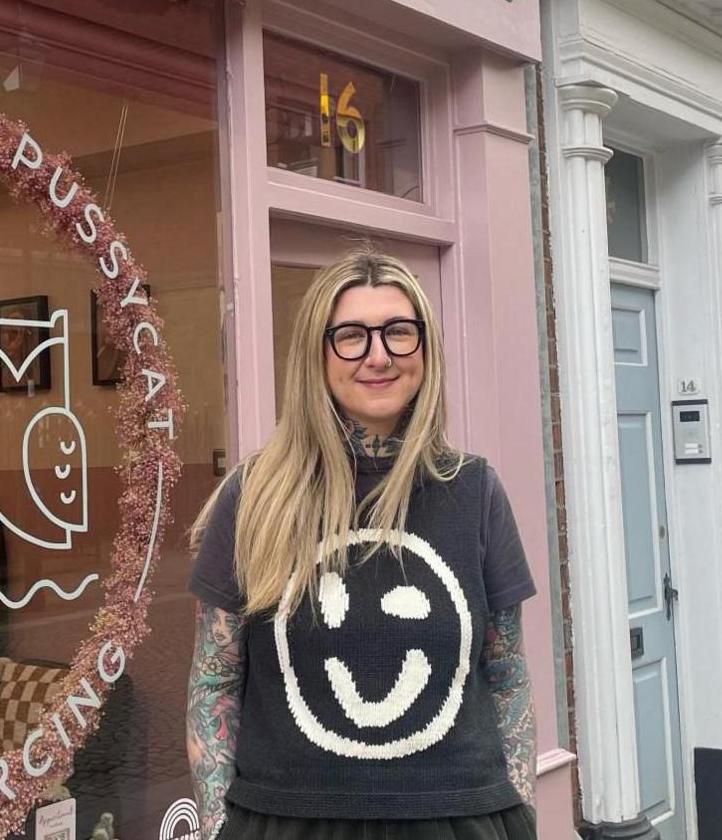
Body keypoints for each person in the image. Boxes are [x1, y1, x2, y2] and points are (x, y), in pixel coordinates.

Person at [185, 250, 538, 840]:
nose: (379, 355)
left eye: (399, 332)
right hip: (289, 821)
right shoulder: (255, 495)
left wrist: (521, 808)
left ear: (424, 348)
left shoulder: (474, 490)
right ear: (316, 354)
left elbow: (506, 671)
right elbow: (214, 678)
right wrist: (221, 826)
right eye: (351, 335)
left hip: (459, 819)